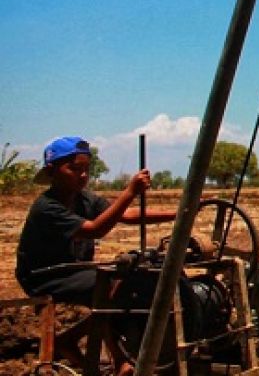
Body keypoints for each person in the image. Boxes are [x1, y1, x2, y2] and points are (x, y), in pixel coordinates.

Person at [16, 136, 175, 374]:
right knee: (106, 282)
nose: (82, 175)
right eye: (74, 168)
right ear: (52, 171)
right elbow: (95, 230)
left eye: (86, 169)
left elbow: (127, 215)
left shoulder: (84, 198)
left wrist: (179, 214)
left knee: (132, 279)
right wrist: (130, 191)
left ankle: (70, 341)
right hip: (43, 276)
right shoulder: (47, 207)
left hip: (74, 270)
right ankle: (120, 359)